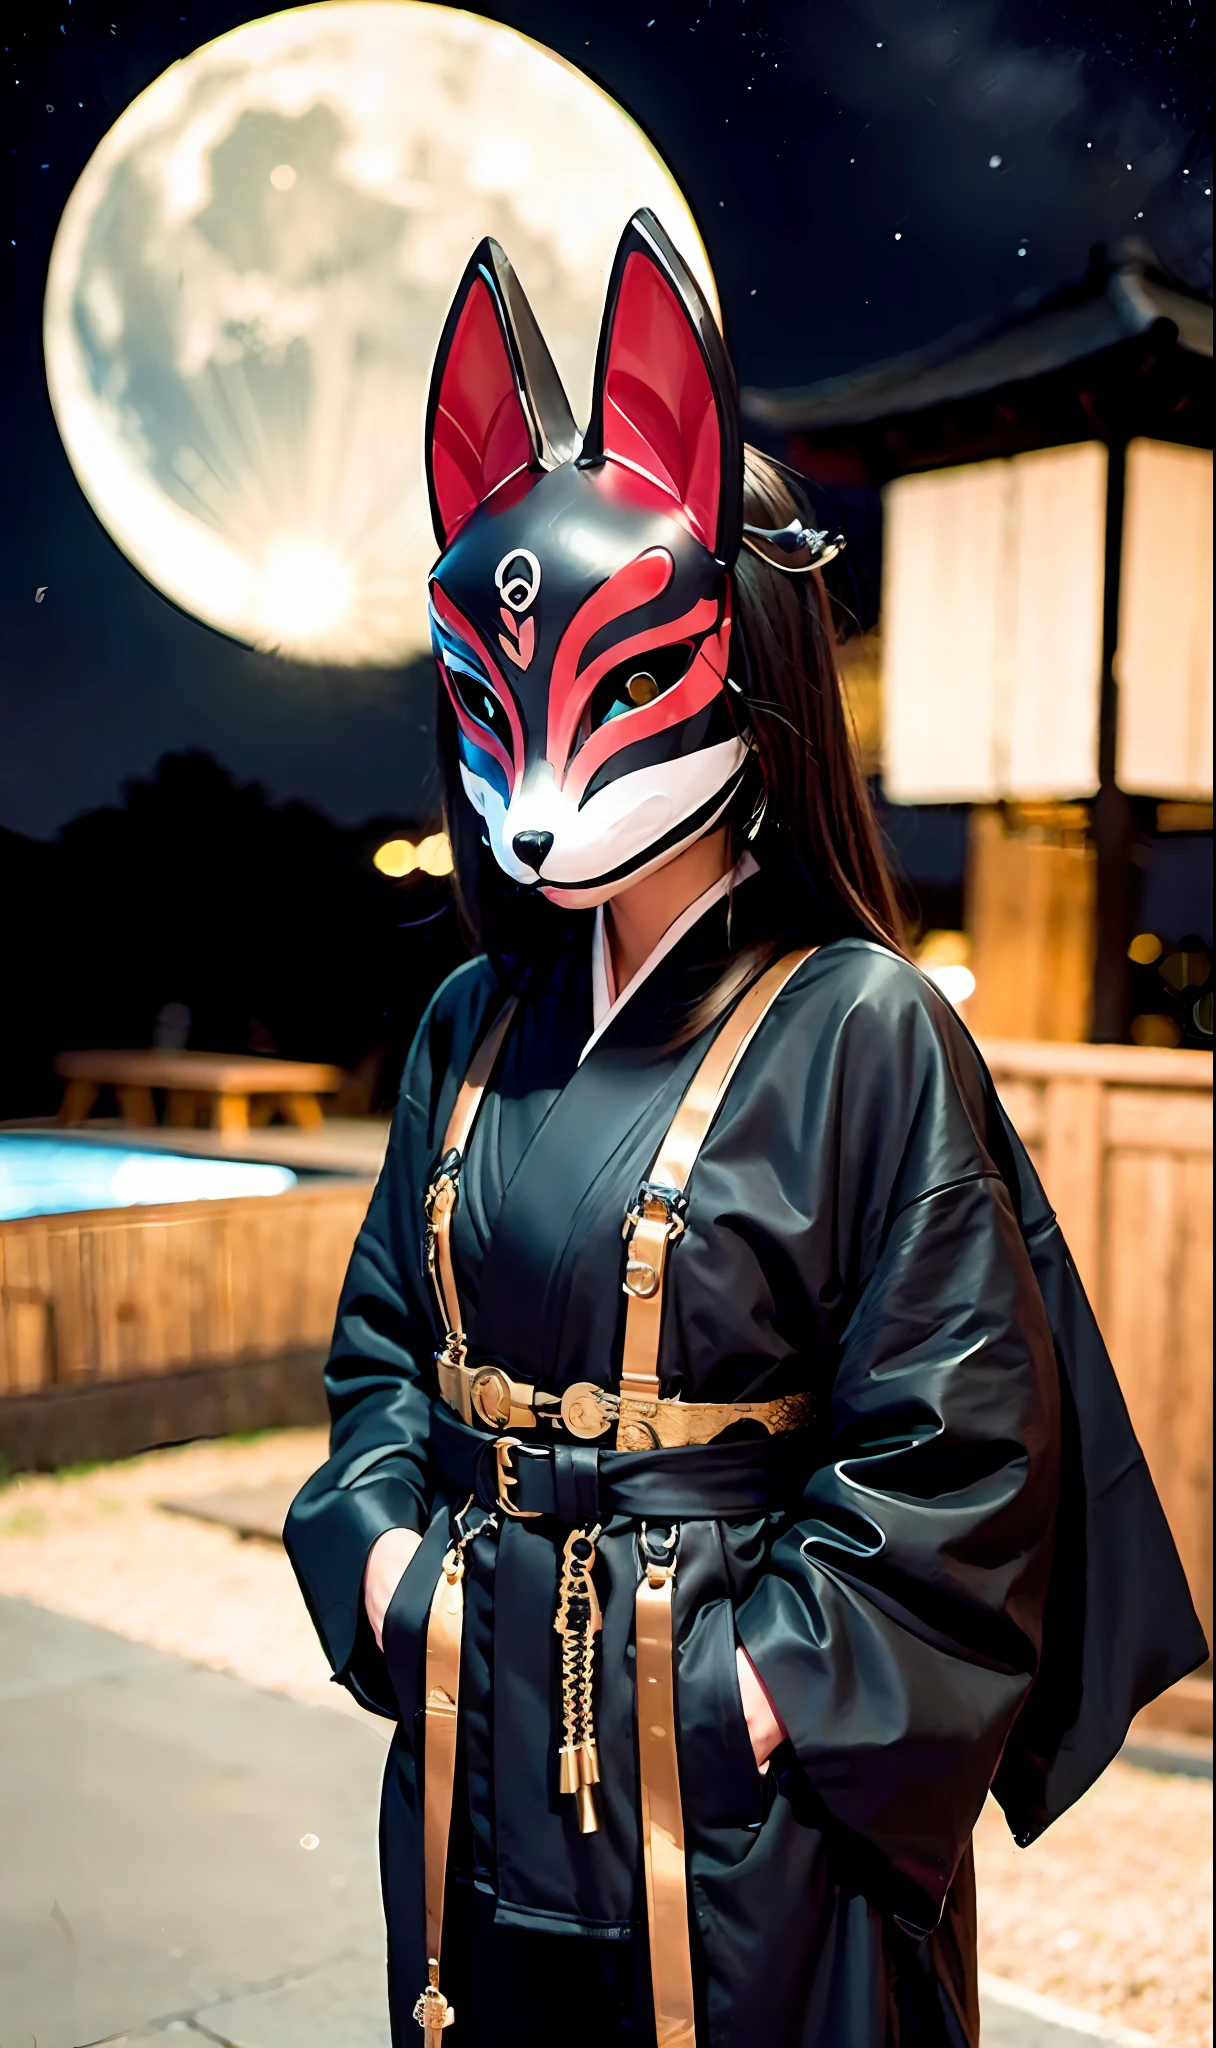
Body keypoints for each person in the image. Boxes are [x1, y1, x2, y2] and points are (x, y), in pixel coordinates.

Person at [285, 212, 1205, 2048]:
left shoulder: (864, 1029)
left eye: (618, 688)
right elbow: (383, 1352)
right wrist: (388, 1563)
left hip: (743, 1804)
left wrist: (748, 1687)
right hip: (478, 1734)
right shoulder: (469, 1020)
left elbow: (960, 1459)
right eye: (490, 714)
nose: (535, 808)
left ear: (742, 652)